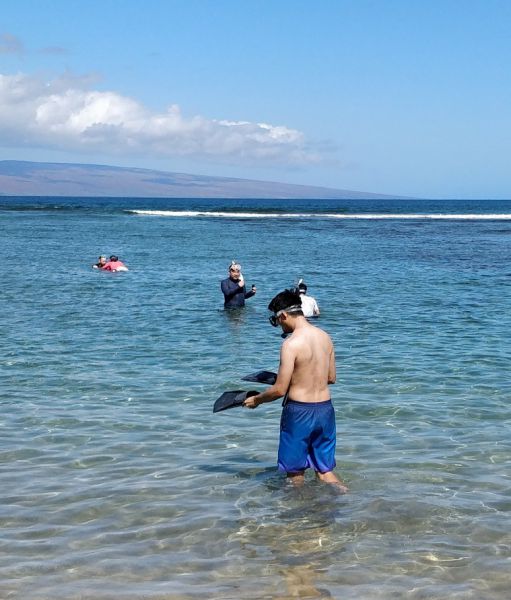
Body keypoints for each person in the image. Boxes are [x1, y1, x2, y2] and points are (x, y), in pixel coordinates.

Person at [244, 289, 347, 491]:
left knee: (294, 474)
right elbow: (331, 378)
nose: (279, 326)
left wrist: (256, 400)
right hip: (325, 410)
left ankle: (299, 510)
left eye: (276, 321)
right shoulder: (325, 337)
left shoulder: (291, 344)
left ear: (283, 315)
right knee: (324, 471)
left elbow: (279, 390)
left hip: (299, 412)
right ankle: (347, 500)